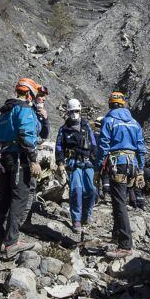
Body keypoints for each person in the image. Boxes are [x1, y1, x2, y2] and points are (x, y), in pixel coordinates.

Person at [0, 77, 43, 260]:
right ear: (28, 93)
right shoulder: (24, 109)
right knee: (19, 199)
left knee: (2, 200)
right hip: (20, 159)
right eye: (33, 95)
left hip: (4, 158)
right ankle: (12, 243)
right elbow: (26, 134)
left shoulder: (5, 111)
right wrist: (33, 159)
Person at [98, 91, 146, 259]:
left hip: (118, 163)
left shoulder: (109, 120)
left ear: (111, 104)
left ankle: (125, 244)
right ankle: (117, 235)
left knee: (119, 203)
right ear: (124, 104)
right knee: (121, 200)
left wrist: (99, 167)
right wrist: (140, 170)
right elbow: (141, 148)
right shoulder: (134, 123)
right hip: (132, 164)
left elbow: (103, 145)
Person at [55, 99, 97, 234]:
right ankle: (76, 219)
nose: (74, 114)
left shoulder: (86, 126)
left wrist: (97, 160)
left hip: (88, 162)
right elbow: (59, 146)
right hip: (73, 163)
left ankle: (87, 214)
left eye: (76, 111)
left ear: (80, 111)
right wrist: (60, 163)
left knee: (91, 190)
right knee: (76, 190)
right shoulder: (64, 129)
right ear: (68, 112)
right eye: (71, 112)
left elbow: (93, 143)